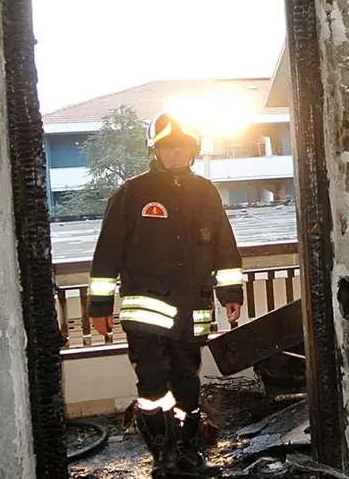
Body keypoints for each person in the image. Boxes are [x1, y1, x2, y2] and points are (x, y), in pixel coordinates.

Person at [87, 111, 244, 477]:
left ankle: (189, 454)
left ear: (193, 150)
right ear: (154, 151)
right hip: (146, 314)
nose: (175, 153)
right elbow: (107, 251)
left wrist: (231, 293)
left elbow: (225, 248)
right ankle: (163, 456)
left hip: (192, 311)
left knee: (188, 384)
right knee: (153, 386)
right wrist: (99, 306)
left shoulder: (206, 192)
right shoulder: (132, 193)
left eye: (182, 147)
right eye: (168, 147)